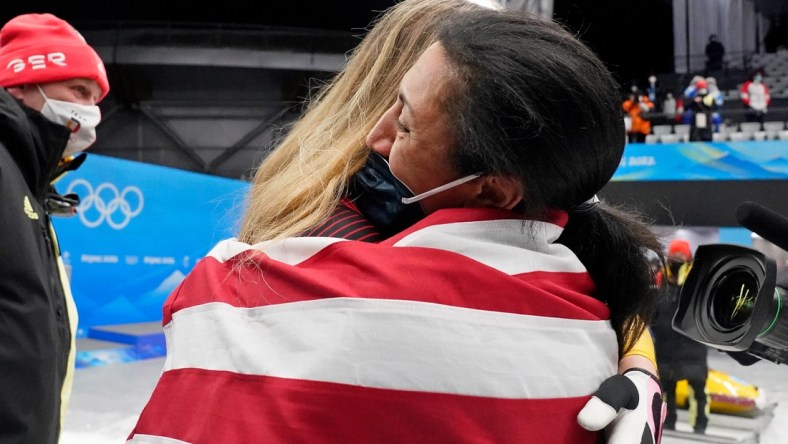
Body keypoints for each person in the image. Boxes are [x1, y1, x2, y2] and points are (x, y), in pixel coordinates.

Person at [130, 5, 665, 443]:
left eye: (407, 124)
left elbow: (607, 256)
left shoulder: (512, 205)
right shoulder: (329, 224)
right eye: (399, 110)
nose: (379, 138)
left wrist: (639, 360)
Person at [0, 12, 109, 443]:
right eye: (78, 91)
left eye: (96, 99)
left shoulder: (28, 184)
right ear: (21, 84)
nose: (90, 112)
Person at [651, 239, 710, 434]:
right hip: (666, 347)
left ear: (688, 257)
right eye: (674, 255)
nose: (677, 259)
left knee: (698, 391)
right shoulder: (660, 282)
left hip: (693, 346)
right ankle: (668, 423)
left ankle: (700, 425)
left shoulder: (697, 281)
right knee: (667, 390)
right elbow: (652, 312)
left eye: (681, 256)